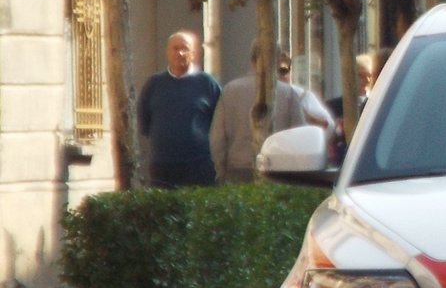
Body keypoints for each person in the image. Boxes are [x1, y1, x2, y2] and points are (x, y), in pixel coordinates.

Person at [210, 46, 328, 184]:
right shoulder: (288, 93)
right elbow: (299, 136)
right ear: (277, 61)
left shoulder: (230, 91)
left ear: (252, 60)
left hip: (237, 168)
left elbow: (217, 138)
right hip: (278, 170)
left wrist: (221, 170)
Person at [137, 30, 222, 188]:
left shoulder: (207, 84)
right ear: (167, 52)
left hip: (199, 166)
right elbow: (144, 122)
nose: (180, 53)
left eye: (185, 48)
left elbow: (220, 122)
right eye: (175, 48)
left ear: (194, 53)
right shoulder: (154, 84)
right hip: (162, 166)